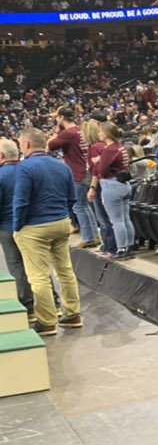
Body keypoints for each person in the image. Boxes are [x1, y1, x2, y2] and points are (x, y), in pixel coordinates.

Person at [11, 128, 82, 336]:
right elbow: (72, 198)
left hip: (34, 227)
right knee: (65, 270)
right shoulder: (62, 166)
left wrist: (18, 226)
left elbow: (21, 200)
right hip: (61, 223)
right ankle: (73, 314)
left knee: (39, 276)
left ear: (25, 144)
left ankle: (47, 321)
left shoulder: (25, 168)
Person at [47, 107, 97, 248]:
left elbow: (50, 145)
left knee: (79, 207)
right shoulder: (80, 130)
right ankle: (94, 235)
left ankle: (88, 238)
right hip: (86, 170)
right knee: (85, 206)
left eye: (57, 117)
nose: (55, 119)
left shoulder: (67, 133)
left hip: (77, 173)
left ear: (62, 117)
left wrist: (56, 131)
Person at [90, 122, 134, 260]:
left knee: (117, 221)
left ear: (107, 134)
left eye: (100, 131)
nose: (99, 134)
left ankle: (121, 249)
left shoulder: (110, 149)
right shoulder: (120, 147)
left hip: (112, 185)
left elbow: (101, 170)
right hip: (124, 184)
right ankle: (129, 247)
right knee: (125, 218)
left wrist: (98, 161)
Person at [0, 138, 34, 322]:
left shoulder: (1, 175)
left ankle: (28, 307)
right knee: (38, 265)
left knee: (17, 266)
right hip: (32, 225)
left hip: (8, 227)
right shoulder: (28, 170)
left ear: (1, 155)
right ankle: (53, 303)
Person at [83, 118, 116, 257]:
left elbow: (96, 171)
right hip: (108, 183)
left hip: (100, 185)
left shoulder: (95, 147)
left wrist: (92, 187)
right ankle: (107, 245)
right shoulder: (104, 146)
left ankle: (109, 247)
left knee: (103, 218)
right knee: (107, 217)